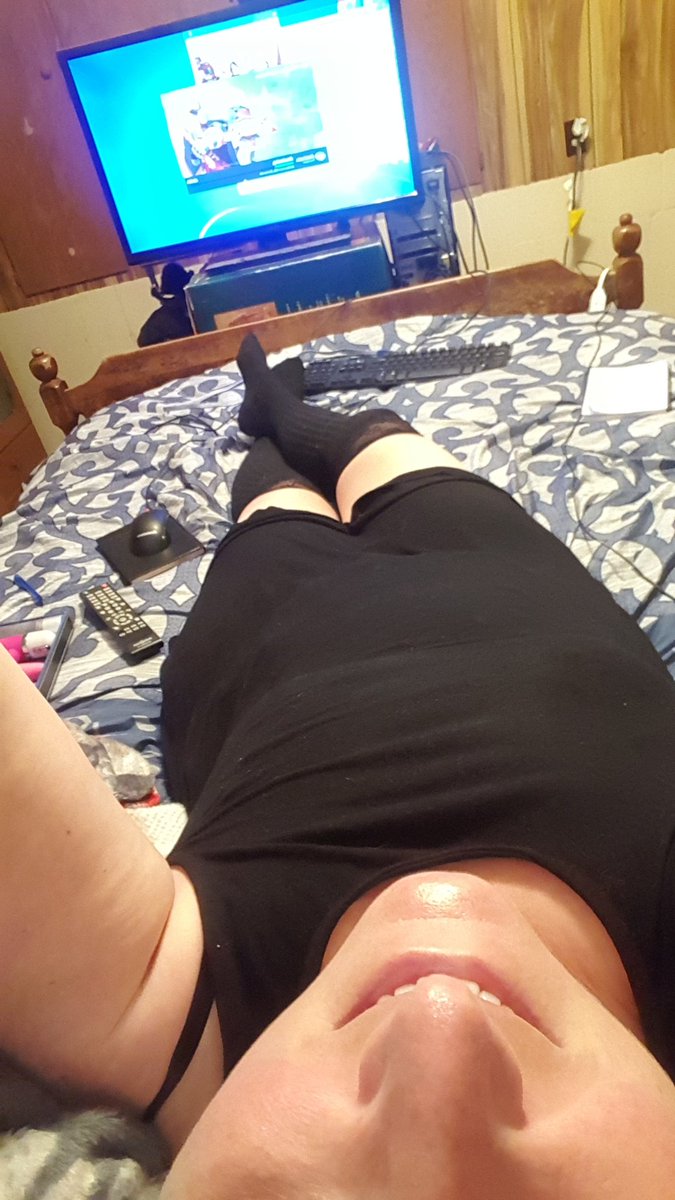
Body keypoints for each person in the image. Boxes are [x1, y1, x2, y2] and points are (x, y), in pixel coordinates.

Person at [3, 330, 675, 1198]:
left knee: (271, 497)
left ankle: (264, 415)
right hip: (489, 561)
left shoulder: (176, 1029)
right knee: (372, 439)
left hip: (277, 612)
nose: (437, 1030)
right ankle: (281, 396)